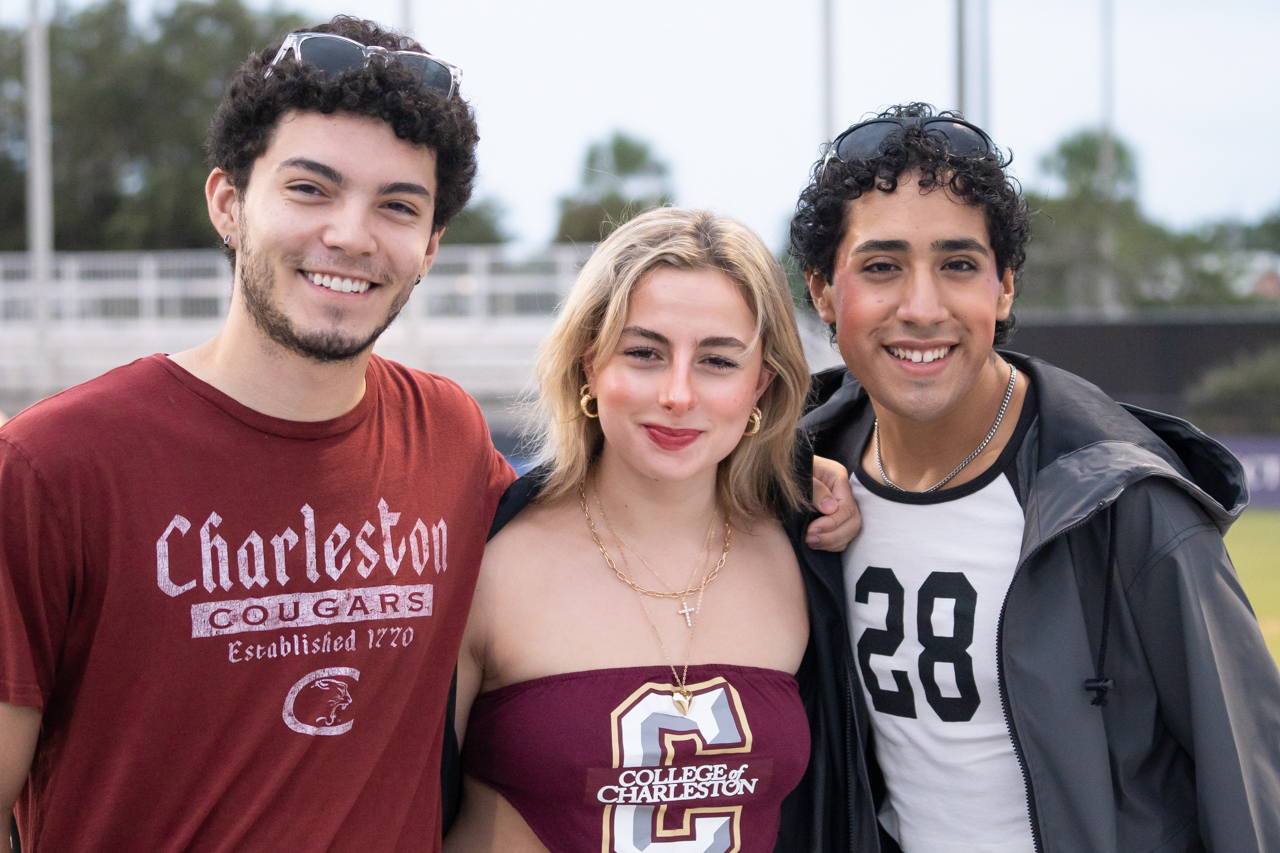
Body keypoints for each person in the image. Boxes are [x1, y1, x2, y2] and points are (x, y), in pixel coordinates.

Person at [0, 17, 517, 851]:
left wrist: (800, 476)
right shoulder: (53, 464)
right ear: (228, 204)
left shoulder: (450, 437)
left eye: (397, 206)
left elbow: (608, 533)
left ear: (430, 248)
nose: (350, 234)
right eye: (309, 189)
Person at [791, 102, 1280, 853]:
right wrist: (779, 476)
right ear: (823, 289)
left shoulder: (1124, 501)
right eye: (882, 266)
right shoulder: (796, 479)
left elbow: (1247, 788)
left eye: (958, 264)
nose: (921, 308)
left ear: (1005, 286)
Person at [442, 208, 862, 853]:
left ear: (762, 388)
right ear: (590, 366)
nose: (677, 393)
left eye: (719, 361)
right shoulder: (486, 561)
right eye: (643, 353)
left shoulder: (805, 553)